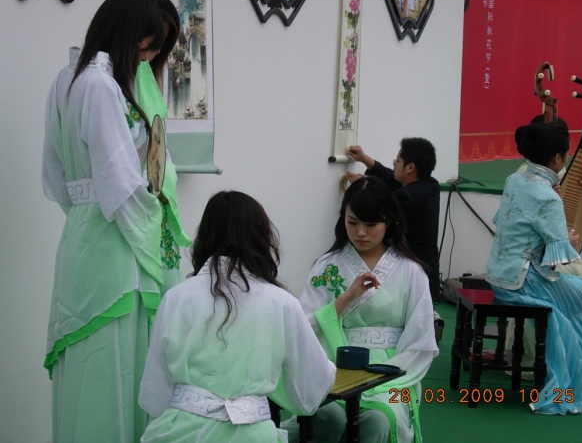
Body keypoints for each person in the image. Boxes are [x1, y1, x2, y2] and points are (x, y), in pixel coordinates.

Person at [41, 0, 190, 441]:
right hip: (121, 243)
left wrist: (86, 212)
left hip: (83, 235)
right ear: (126, 32)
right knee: (118, 365)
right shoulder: (102, 86)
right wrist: (157, 236)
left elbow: (55, 175)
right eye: (148, 44)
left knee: (90, 367)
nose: (149, 56)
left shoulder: (65, 79)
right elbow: (121, 184)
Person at [138, 191, 337, 443]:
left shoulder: (176, 298)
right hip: (251, 434)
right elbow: (310, 389)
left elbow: (155, 394)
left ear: (205, 235)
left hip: (178, 433)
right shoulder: (282, 303)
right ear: (261, 237)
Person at [298, 176, 438, 442]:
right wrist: (345, 299)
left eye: (371, 224)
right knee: (327, 416)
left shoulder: (411, 271)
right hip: (333, 365)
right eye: (352, 223)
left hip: (392, 370)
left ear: (389, 221)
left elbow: (420, 341)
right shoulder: (326, 266)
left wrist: (386, 374)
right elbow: (304, 326)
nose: (360, 232)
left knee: (378, 419)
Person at [485, 121, 582, 414]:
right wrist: (569, 240)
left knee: (581, 292)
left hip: (499, 275)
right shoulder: (548, 197)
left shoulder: (514, 179)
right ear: (559, 158)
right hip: (526, 280)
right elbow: (562, 257)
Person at [346, 138, 441, 302]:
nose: (394, 165)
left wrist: (362, 186)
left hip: (414, 275)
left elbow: (379, 208)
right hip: (429, 270)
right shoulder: (431, 185)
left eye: (397, 161)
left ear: (410, 167)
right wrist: (364, 158)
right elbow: (392, 178)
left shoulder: (406, 197)